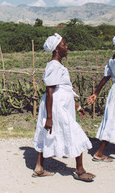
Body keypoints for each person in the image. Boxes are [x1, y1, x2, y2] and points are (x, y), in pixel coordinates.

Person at [33, 33, 95, 182]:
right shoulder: (54, 66)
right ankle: (79, 170)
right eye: (63, 45)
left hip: (58, 105)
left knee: (46, 134)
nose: (66, 47)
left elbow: (63, 90)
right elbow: (50, 92)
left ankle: (39, 168)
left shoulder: (57, 65)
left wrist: (77, 107)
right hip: (55, 107)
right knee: (73, 132)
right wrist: (49, 117)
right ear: (56, 49)